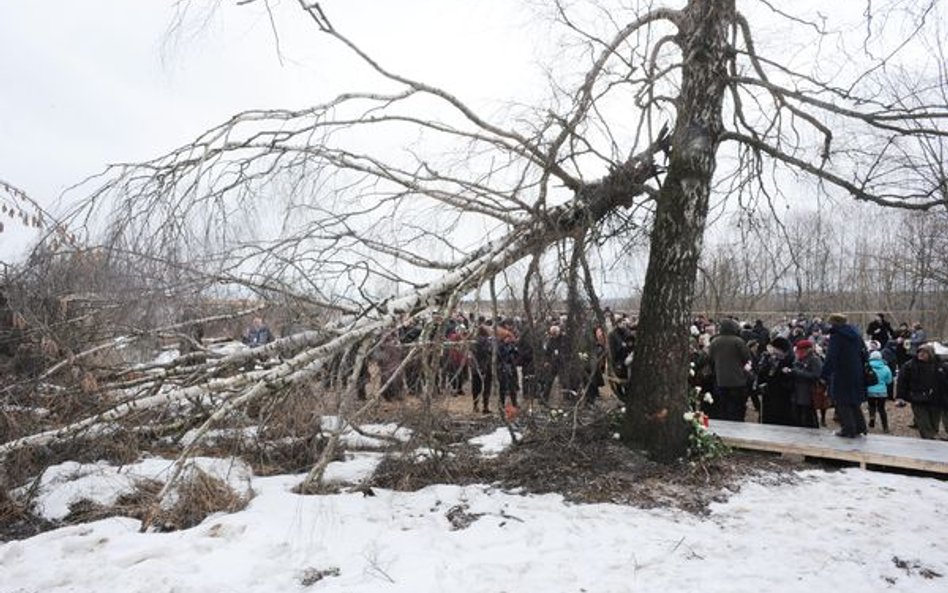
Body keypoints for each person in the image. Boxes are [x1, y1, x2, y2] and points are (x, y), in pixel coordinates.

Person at [820, 313, 868, 438]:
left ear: (834, 323)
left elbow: (831, 357)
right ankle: (860, 426)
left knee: (842, 401)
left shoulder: (836, 336)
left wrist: (824, 375)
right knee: (854, 401)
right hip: (856, 370)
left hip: (842, 371)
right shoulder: (856, 335)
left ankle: (848, 429)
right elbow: (863, 353)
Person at [896, 343, 948, 439]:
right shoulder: (909, 366)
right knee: (923, 421)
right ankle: (929, 440)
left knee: (934, 422)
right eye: (920, 352)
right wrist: (900, 397)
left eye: (924, 352)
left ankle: (932, 438)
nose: (921, 354)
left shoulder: (940, 366)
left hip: (936, 398)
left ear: (931, 354)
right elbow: (902, 382)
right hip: (917, 397)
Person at [707, 318, 752, 421]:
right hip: (738, 380)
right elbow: (747, 358)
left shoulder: (714, 342)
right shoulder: (738, 341)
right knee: (737, 408)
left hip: (720, 379)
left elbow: (710, 359)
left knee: (723, 407)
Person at [758, 336, 795, 426]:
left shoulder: (790, 360)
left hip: (783, 394)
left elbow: (790, 377)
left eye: (776, 349)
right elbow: (763, 373)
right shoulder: (769, 358)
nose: (774, 352)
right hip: (770, 392)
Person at [789, 339, 822, 428]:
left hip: (808, 393)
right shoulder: (798, 359)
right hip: (797, 393)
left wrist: (798, 373)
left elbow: (816, 375)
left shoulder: (814, 360)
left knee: (808, 417)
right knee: (798, 416)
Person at [866, 350, 894, 433]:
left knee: (871, 406)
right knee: (882, 409)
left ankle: (872, 419)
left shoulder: (868, 367)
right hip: (882, 392)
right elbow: (889, 380)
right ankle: (885, 427)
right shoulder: (885, 367)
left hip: (870, 391)